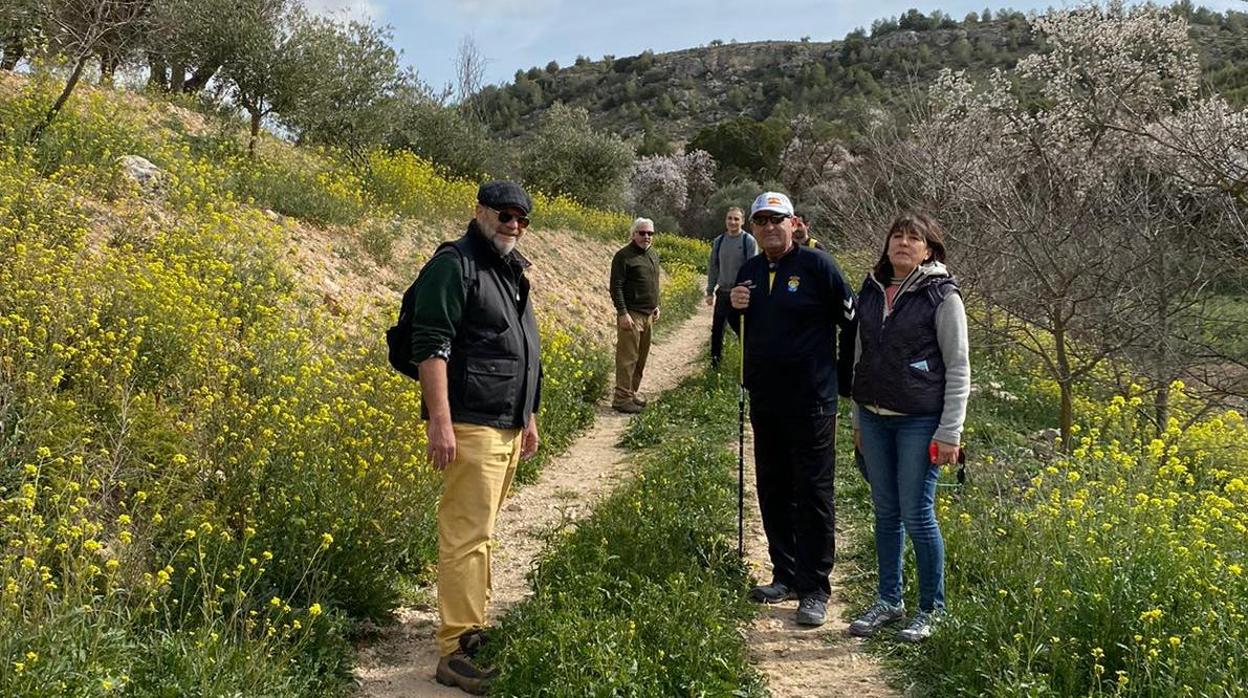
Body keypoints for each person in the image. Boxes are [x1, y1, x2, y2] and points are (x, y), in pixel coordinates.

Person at [404, 181, 543, 694]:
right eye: (504, 215)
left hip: (506, 420)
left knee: (481, 532)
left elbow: (520, 347)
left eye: (521, 219)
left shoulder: (509, 271)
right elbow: (431, 343)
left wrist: (528, 413)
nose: (512, 225)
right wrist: (439, 421)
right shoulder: (455, 264)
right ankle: (455, 649)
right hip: (471, 422)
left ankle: (472, 628)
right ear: (480, 211)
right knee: (466, 535)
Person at [729, 191, 857, 627]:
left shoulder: (818, 266)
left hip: (813, 402)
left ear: (794, 223)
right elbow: (743, 328)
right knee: (773, 488)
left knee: (814, 493)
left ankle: (815, 587)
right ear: (752, 227)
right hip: (766, 400)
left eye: (776, 219)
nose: (768, 227)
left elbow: (851, 320)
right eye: (760, 220)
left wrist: (842, 380)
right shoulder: (748, 271)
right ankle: (784, 574)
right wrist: (733, 308)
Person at [847, 212, 969, 643]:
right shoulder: (872, 288)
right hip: (875, 419)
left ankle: (932, 609)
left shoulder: (941, 294)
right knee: (886, 512)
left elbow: (958, 366)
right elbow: (860, 357)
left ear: (929, 249)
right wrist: (858, 419)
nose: (902, 243)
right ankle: (888, 600)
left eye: (912, 238)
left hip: (921, 421)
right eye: (896, 236)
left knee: (917, 514)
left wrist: (950, 432)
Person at [610, 217, 661, 413]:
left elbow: (653, 283)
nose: (646, 236)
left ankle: (631, 394)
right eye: (642, 233)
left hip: (648, 315)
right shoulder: (623, 256)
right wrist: (622, 313)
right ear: (633, 234)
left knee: (641, 358)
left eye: (650, 233)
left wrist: (656, 305)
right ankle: (621, 399)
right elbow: (616, 287)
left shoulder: (653, 254)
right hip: (631, 315)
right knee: (627, 358)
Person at [706, 206, 758, 368]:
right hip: (722, 292)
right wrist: (709, 291)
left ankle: (748, 364)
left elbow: (753, 268)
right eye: (730, 218)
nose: (732, 222)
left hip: (741, 294)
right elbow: (713, 267)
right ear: (725, 220)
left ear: (742, 221)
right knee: (717, 330)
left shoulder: (748, 241)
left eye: (736, 219)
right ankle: (715, 363)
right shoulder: (719, 241)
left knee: (743, 331)